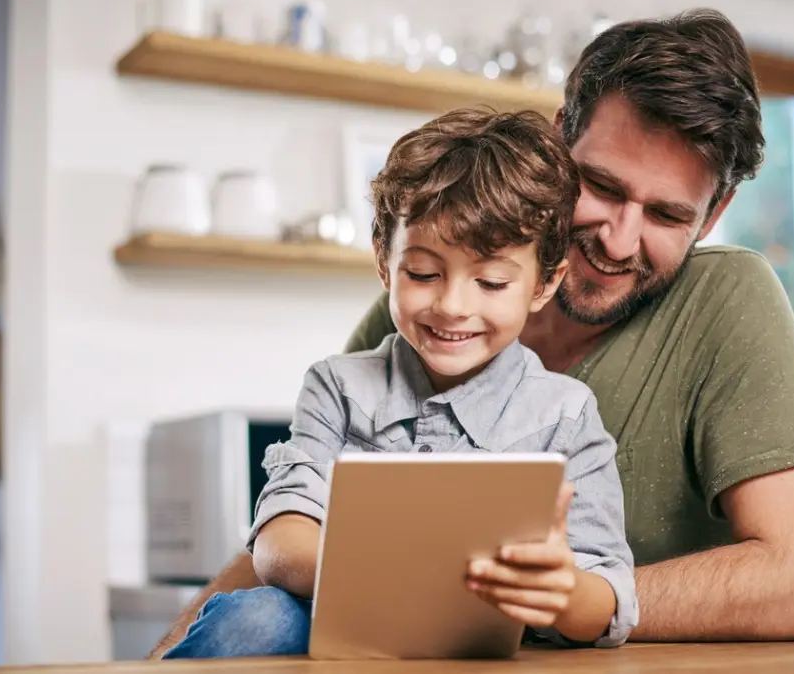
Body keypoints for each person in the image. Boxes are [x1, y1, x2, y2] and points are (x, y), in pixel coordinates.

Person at [150, 7, 794, 658]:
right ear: (557, 142)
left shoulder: (724, 300)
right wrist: (164, 657)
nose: (618, 239)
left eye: (667, 215)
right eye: (603, 186)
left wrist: (551, 600)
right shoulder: (420, 320)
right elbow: (297, 516)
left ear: (715, 212)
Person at [161, 107, 639, 659]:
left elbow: (608, 601)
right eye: (423, 274)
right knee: (256, 619)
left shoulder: (565, 415)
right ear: (385, 264)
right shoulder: (338, 388)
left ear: (544, 283)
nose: (452, 305)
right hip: (342, 629)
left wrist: (562, 591)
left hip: (488, 651)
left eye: (490, 282)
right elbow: (279, 542)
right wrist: (403, 576)